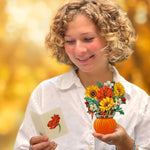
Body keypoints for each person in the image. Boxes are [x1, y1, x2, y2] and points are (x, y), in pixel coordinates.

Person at [14, 0, 150, 150]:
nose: (79, 50)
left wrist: (127, 145)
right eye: (70, 41)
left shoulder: (139, 102)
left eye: (88, 39)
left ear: (110, 37)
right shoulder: (45, 95)